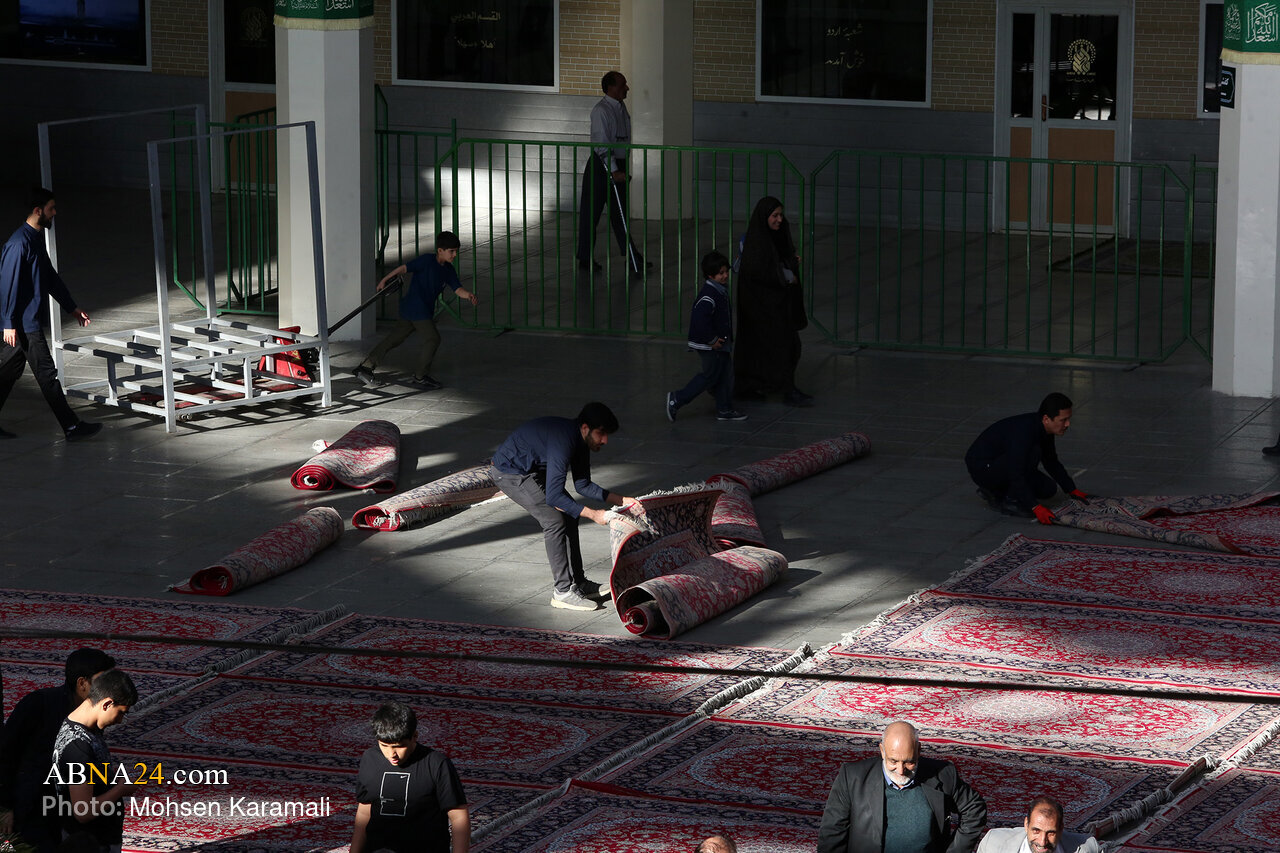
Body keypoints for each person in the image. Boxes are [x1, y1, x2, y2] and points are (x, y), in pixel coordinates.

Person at [490, 402, 633, 611]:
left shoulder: (581, 440)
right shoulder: (564, 441)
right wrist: (594, 514)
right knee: (554, 521)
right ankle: (563, 592)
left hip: (534, 471)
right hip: (510, 472)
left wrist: (622, 500)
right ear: (585, 428)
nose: (605, 440)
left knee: (571, 515)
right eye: (601, 433)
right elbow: (554, 497)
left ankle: (579, 584)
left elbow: (583, 485)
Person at [0, 188, 101, 441]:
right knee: (47, 375)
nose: (54, 213)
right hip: (23, 325)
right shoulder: (18, 243)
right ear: (38, 211)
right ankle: (72, 427)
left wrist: (72, 307)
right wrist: (8, 323)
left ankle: (71, 426)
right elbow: (7, 285)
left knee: (7, 373)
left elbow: (49, 278)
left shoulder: (34, 239)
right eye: (51, 208)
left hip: (25, 322)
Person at [0, 649, 117, 853]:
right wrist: (5, 807)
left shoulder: (93, 716)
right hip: (32, 810)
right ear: (82, 683)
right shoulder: (39, 705)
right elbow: (6, 754)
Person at [816, 720, 987, 853]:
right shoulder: (852, 777)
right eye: (893, 761)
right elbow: (832, 835)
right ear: (882, 751)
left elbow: (974, 809)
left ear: (918, 751)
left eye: (909, 762)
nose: (900, 770)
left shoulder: (943, 774)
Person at [352, 230, 479, 392]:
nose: (454, 255)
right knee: (433, 338)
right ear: (440, 250)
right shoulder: (426, 261)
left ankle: (365, 367)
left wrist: (468, 295)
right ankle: (420, 376)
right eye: (451, 251)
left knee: (394, 339)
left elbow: (457, 288)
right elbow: (403, 268)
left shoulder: (448, 270)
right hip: (416, 308)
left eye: (456, 251)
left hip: (417, 309)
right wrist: (384, 280)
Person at [351, 702, 468, 853]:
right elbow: (364, 812)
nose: (391, 754)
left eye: (399, 746)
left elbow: (458, 817)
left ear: (415, 737)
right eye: (384, 746)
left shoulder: (436, 764)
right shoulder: (370, 759)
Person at [733, 196, 811, 407]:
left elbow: (777, 261)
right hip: (761, 308)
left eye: (780, 215)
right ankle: (784, 389)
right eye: (774, 215)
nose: (779, 219)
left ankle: (764, 386)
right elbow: (759, 271)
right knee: (782, 346)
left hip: (775, 306)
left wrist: (788, 264)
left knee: (786, 346)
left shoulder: (775, 236)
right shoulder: (756, 243)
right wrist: (787, 277)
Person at [964, 392, 1089, 523]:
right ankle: (1010, 501)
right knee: (1033, 452)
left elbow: (1050, 461)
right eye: (1063, 420)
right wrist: (1035, 507)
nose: (1067, 424)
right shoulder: (1024, 433)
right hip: (982, 468)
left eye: (1068, 419)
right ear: (1046, 419)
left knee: (1048, 489)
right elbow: (1015, 472)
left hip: (1003, 463)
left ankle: (996, 491)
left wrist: (1071, 489)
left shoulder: (1044, 429)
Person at [50, 668, 138, 853]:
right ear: (107, 704)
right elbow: (83, 812)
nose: (120, 720)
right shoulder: (78, 748)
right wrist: (121, 789)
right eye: (121, 712)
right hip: (91, 843)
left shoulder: (84, 726)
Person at [576, 71, 646, 276]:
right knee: (591, 214)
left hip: (617, 164)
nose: (627, 88)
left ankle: (632, 257)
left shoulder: (620, 107)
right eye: (623, 85)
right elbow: (601, 142)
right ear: (611, 87)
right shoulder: (601, 111)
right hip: (602, 166)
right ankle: (585, 257)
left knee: (620, 214)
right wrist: (614, 171)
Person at [666, 250, 747, 422]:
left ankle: (724, 408)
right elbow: (700, 321)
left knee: (725, 374)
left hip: (720, 344)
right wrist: (712, 340)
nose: (725, 275)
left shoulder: (719, 290)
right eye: (721, 273)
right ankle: (677, 399)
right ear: (710, 275)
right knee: (710, 376)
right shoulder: (709, 296)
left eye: (726, 271)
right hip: (711, 345)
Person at [976, 796, 1100, 853]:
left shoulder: (1088, 848)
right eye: (1036, 831)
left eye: (1050, 833)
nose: (1042, 842)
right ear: (1026, 824)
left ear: (1061, 829)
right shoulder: (992, 845)